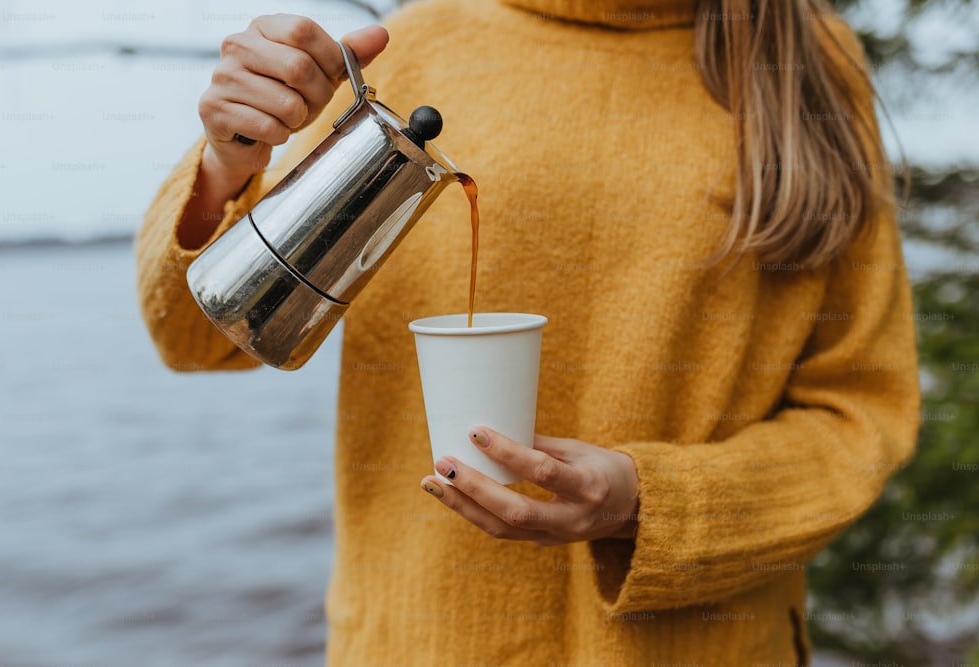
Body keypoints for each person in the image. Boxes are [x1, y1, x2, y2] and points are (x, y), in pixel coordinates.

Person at [136, 0, 920, 663]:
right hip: (417, 639)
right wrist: (227, 164)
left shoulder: (804, 63)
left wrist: (651, 503)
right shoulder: (426, 41)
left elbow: (860, 414)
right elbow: (197, 336)